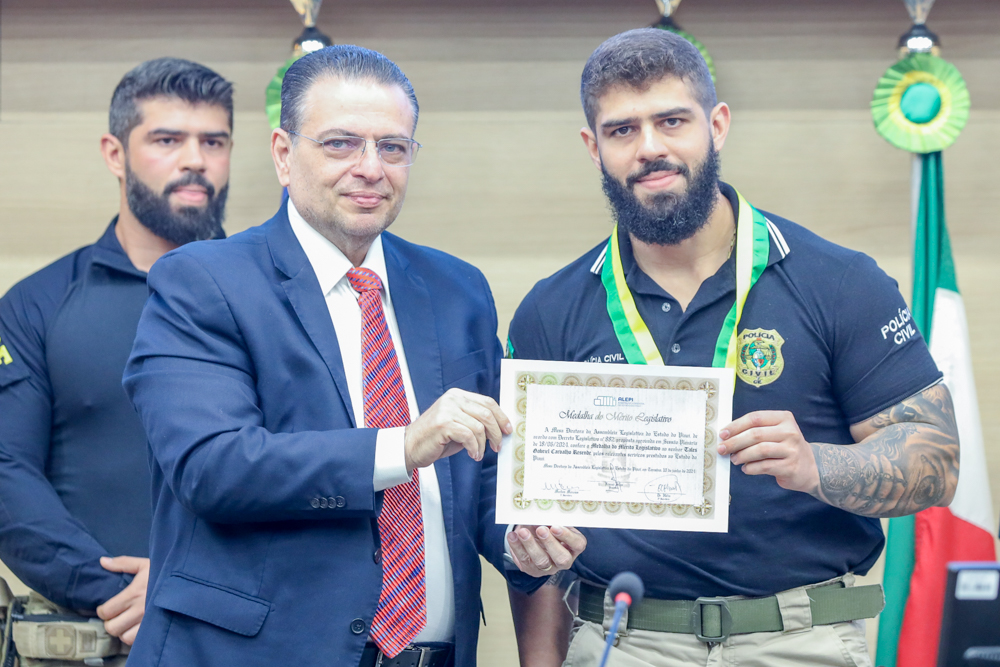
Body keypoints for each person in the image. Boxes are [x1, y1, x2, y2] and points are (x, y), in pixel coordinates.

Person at [505, 28, 959, 667]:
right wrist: (530, 547)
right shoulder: (551, 309)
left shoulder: (839, 281)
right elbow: (529, 522)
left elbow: (936, 461)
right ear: (593, 146)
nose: (651, 148)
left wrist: (813, 465)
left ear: (716, 125)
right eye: (622, 130)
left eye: (672, 121)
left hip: (801, 640)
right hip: (623, 641)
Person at [121, 45, 585, 667]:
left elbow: (482, 470)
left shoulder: (458, 290)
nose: (371, 168)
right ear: (285, 156)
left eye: (393, 148)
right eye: (341, 144)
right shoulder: (203, 281)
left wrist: (522, 544)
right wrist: (402, 446)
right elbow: (212, 467)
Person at [0, 57, 233, 658]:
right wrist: (125, 593)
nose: (196, 161)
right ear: (114, 153)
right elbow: (6, 475)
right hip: (93, 635)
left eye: (214, 141)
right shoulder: (36, 307)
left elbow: (310, 472)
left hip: (245, 633)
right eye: (166, 139)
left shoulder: (283, 301)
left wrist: (199, 587)